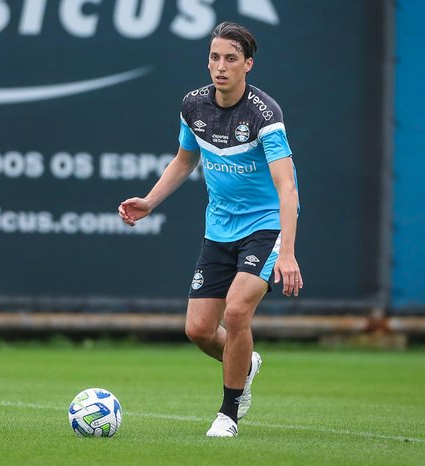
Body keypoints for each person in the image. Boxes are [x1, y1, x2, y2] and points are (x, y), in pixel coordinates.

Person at [118, 21, 302, 437]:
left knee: (237, 312)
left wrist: (287, 252)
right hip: (219, 229)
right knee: (199, 330)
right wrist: (149, 201)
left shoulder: (265, 115)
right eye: (215, 57)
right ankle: (246, 362)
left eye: (231, 59)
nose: (221, 66)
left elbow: (286, 186)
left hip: (265, 227)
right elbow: (184, 160)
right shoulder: (193, 106)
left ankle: (228, 414)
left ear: (248, 65)